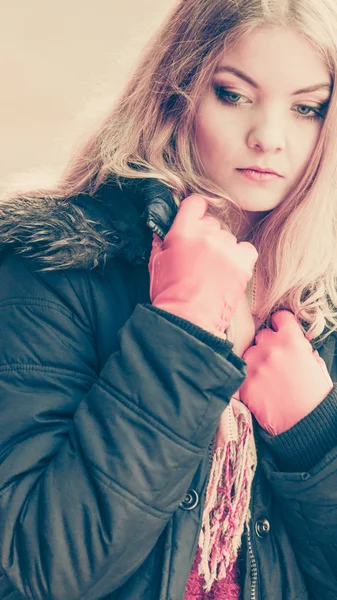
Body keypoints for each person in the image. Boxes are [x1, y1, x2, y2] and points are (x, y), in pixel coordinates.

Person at [0, 0, 337, 598]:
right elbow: (34, 570)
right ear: (174, 91)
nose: (268, 138)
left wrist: (316, 438)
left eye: (307, 108)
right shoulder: (53, 270)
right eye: (234, 95)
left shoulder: (323, 308)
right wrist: (178, 333)